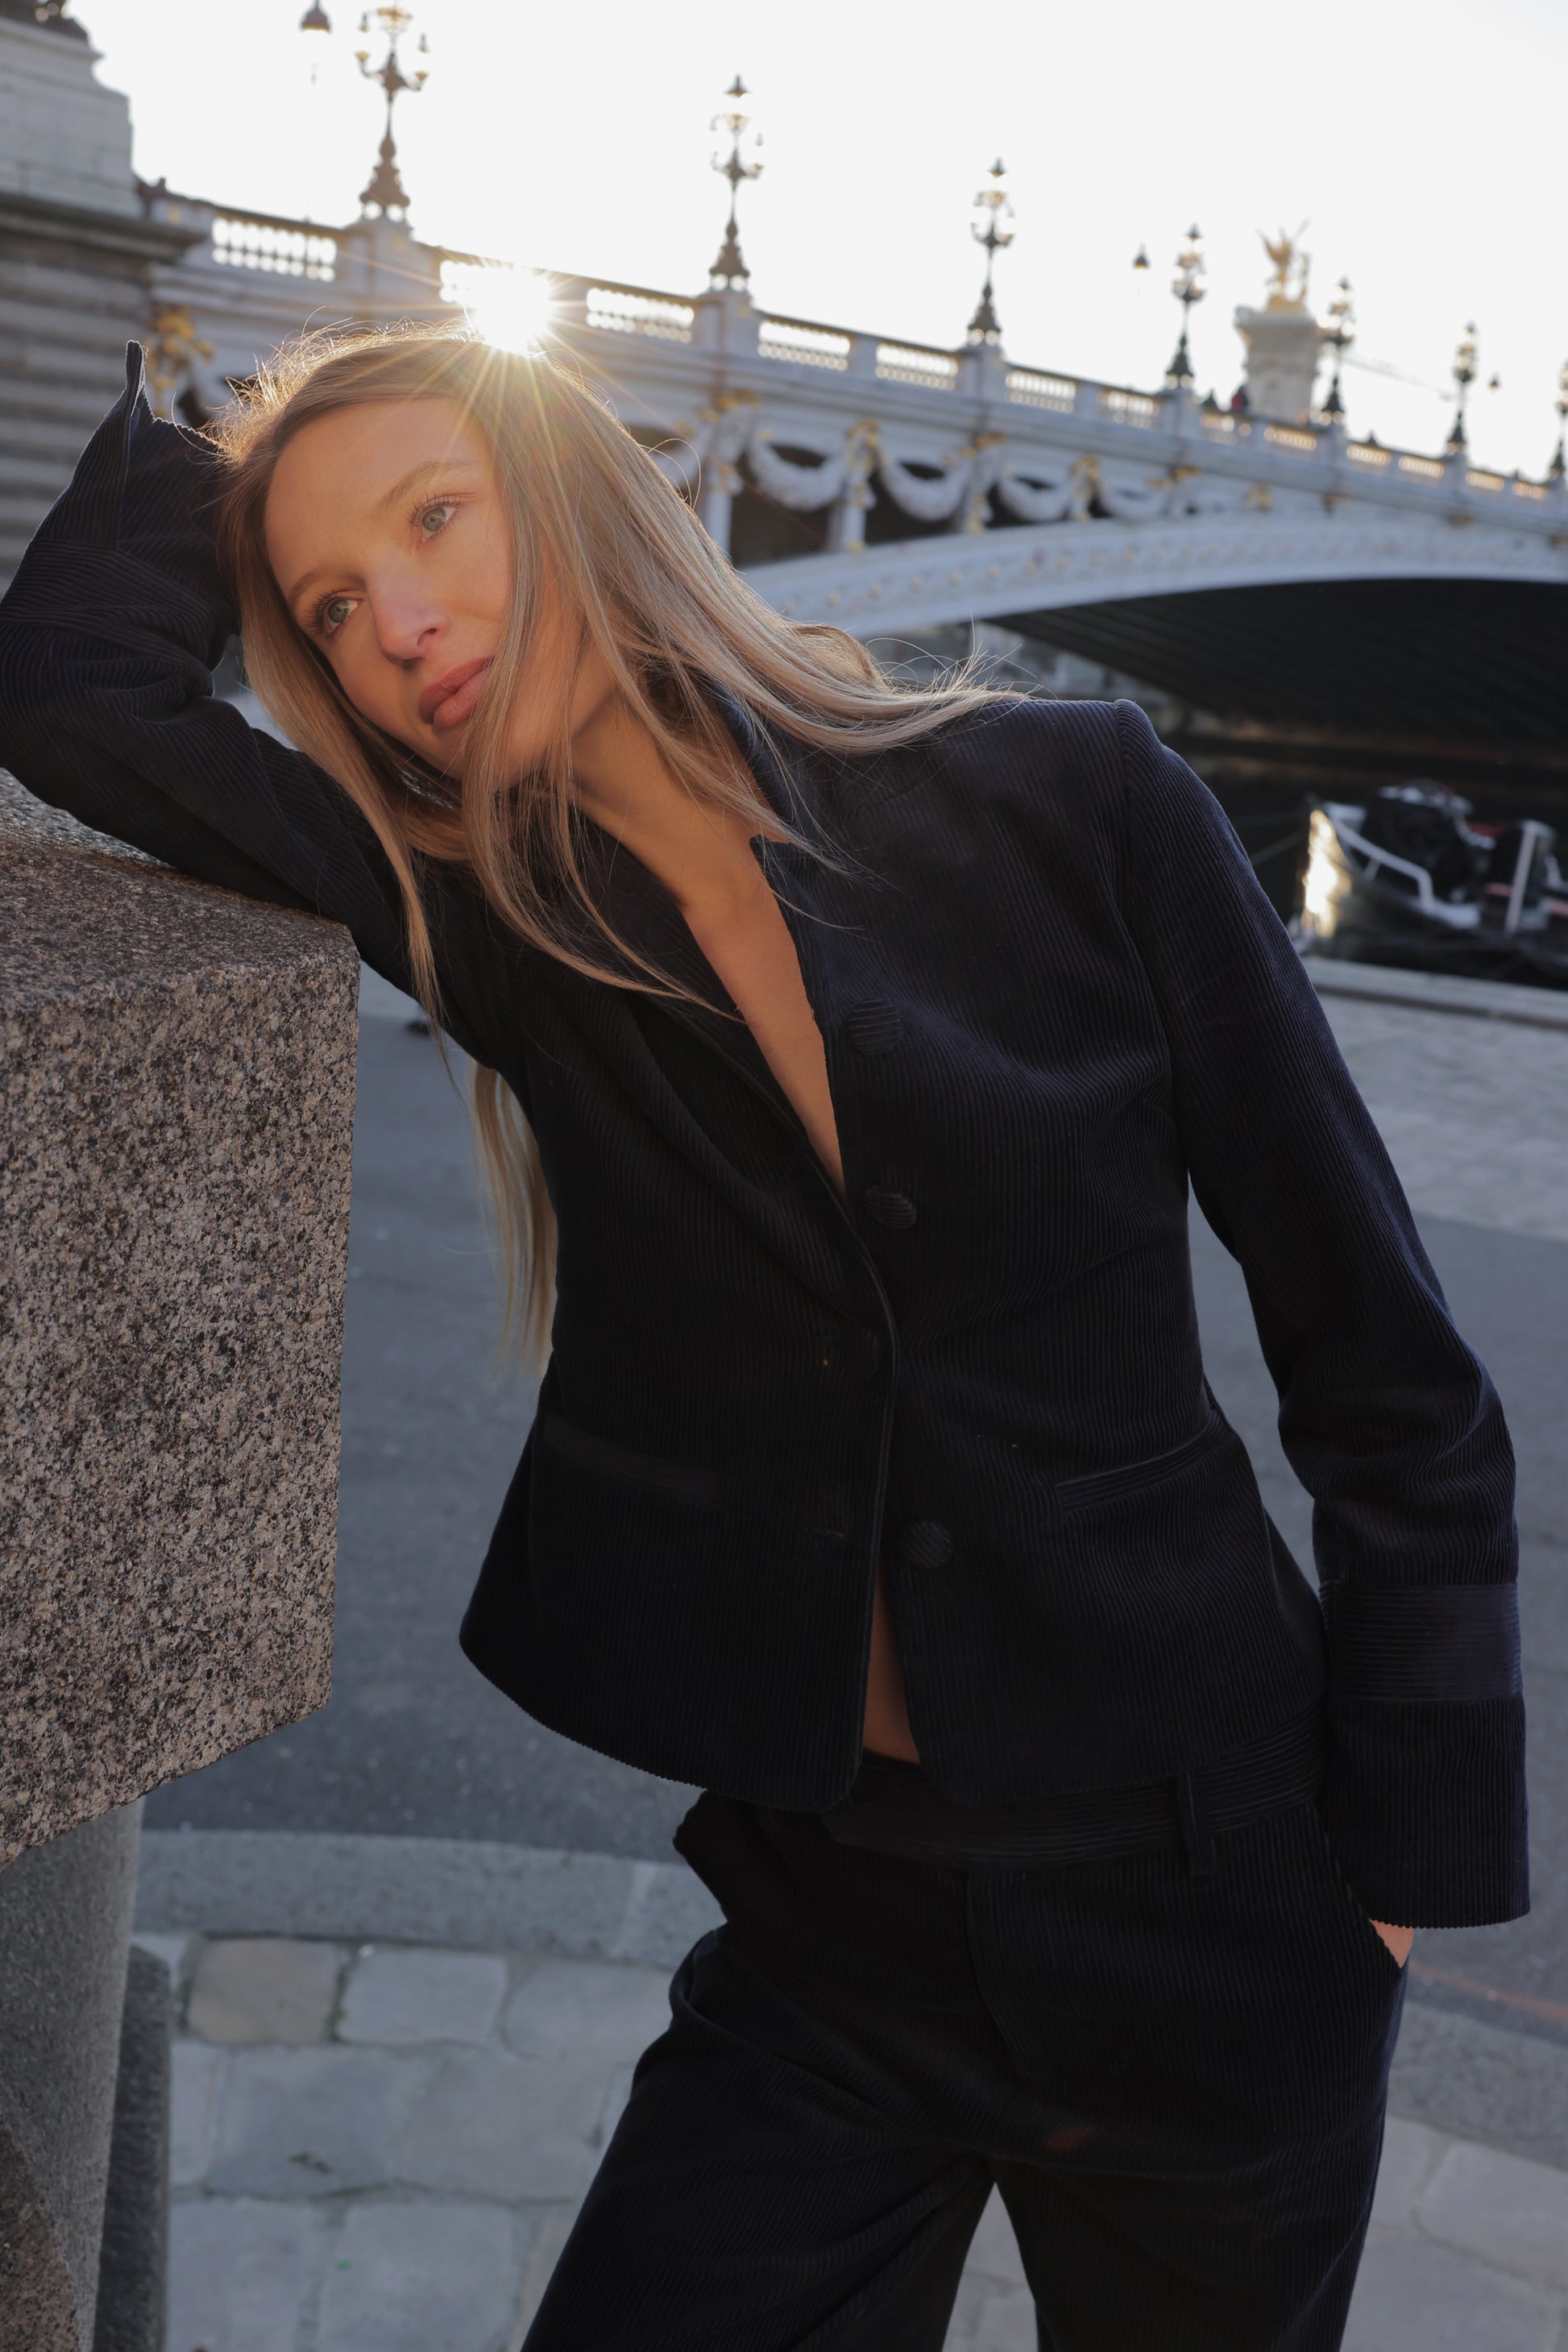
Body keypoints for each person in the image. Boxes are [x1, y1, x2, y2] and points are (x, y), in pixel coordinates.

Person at [0, 330, 1526, 2351]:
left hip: (1214, 1897)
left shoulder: (1080, 803)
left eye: (438, 516)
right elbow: (68, 684)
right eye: (333, 609)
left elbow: (1385, 1361)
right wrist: (233, 424)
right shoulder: (493, 920)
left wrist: (1393, 1878)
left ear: (581, 496)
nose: (403, 627)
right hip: (833, 1932)